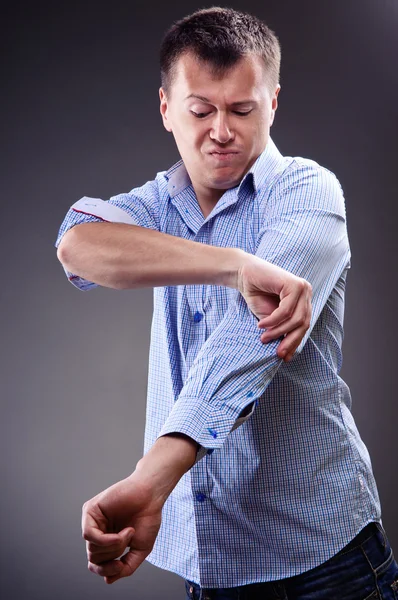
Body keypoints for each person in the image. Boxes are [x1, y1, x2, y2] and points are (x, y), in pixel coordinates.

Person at [55, 6, 398, 600]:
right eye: (200, 110)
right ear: (167, 109)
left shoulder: (308, 193)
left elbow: (246, 346)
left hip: (323, 560)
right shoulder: (158, 206)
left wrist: (149, 479)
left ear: (273, 104)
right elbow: (78, 246)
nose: (221, 130)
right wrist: (233, 265)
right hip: (207, 565)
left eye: (242, 109)